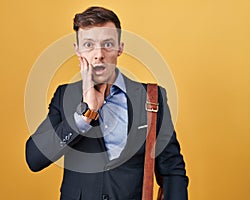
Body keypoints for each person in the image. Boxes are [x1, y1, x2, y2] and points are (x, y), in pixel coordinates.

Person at [25, 6, 188, 200]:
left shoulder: (151, 96)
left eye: (108, 44)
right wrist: (87, 113)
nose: (99, 54)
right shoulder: (64, 96)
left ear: (120, 48)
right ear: (77, 50)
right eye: (88, 45)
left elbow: (172, 170)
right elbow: (34, 159)